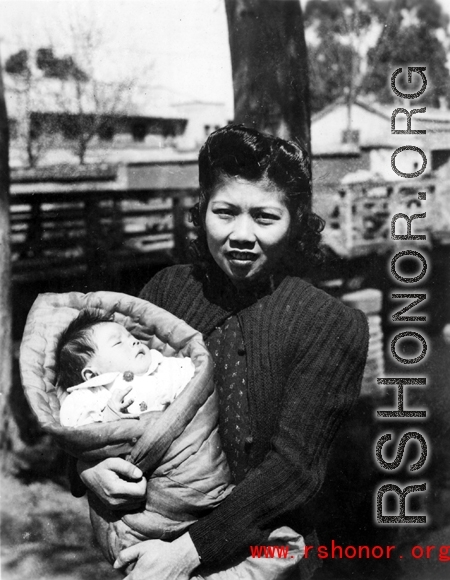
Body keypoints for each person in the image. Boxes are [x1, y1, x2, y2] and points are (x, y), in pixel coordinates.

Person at [78, 124, 369, 580]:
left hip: (262, 556)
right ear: (202, 211)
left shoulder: (329, 323)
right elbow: (99, 390)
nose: (241, 234)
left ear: (294, 221)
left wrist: (186, 555)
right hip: (149, 546)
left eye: (265, 217)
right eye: (226, 212)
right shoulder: (166, 291)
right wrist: (87, 469)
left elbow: (294, 469)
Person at [56, 309, 195, 426]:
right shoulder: (90, 395)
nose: (134, 341)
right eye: (118, 343)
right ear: (92, 375)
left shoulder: (159, 365)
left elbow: (193, 376)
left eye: (131, 336)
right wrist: (107, 417)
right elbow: (72, 425)